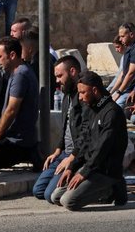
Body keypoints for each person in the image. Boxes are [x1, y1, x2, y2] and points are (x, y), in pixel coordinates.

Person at [51, 71, 129, 210]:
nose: (80, 97)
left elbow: (102, 148)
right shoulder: (92, 108)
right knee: (56, 197)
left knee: (69, 202)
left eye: (82, 92)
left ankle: (111, 188)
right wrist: (72, 166)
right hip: (92, 166)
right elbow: (84, 140)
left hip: (105, 170)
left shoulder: (112, 113)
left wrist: (84, 172)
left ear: (94, 90)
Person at [0, 37, 41, 171]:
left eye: (0, 56)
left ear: (12, 55)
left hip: (18, 140)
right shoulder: (15, 72)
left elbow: (11, 110)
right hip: (9, 133)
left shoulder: (21, 75)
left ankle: (28, 154)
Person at [34, 56, 84, 202]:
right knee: (38, 190)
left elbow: (86, 135)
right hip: (64, 153)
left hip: (77, 155)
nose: (57, 80)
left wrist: (72, 158)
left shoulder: (84, 97)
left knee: (50, 196)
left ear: (73, 71)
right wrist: (57, 150)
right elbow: (65, 128)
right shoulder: (66, 96)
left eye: (60, 76)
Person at [108, 23, 135, 105]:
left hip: (132, 90)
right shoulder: (129, 47)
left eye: (122, 36)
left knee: (116, 105)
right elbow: (123, 73)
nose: (120, 39)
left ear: (131, 34)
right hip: (124, 89)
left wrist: (119, 92)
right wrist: (112, 91)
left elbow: (131, 73)